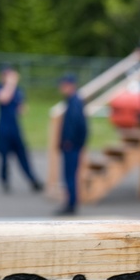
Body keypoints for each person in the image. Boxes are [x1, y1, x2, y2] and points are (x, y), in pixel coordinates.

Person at [0, 65, 42, 193]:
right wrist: (10, 84)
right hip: (3, 128)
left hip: (15, 128)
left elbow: (22, 108)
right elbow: (3, 98)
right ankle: (4, 181)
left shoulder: (18, 90)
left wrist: (22, 107)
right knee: (4, 157)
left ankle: (33, 180)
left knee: (23, 155)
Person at [57, 74, 88, 216]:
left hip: (71, 145)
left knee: (69, 175)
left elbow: (78, 125)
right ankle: (70, 202)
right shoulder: (73, 101)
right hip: (72, 144)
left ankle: (71, 203)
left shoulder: (74, 102)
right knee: (69, 174)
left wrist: (71, 141)